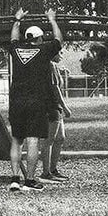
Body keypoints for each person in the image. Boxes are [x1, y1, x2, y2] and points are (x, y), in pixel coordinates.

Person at [8, 7, 64, 188]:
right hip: (36, 101)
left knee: (17, 140)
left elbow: (13, 38)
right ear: (39, 38)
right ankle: (29, 180)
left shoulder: (16, 50)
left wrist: (17, 20)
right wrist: (52, 20)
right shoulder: (44, 50)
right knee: (33, 140)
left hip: (16, 100)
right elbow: (58, 40)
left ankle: (15, 179)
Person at [43, 50, 72, 180]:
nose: (61, 55)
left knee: (60, 138)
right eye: (59, 53)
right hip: (51, 106)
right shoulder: (50, 65)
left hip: (56, 107)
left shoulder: (54, 67)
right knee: (49, 140)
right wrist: (65, 107)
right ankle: (46, 172)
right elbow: (55, 89)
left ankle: (53, 169)